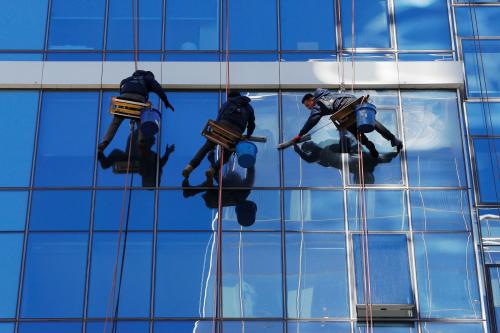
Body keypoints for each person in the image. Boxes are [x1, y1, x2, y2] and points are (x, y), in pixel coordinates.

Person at [285, 88, 402, 158]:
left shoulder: (318, 104)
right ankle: (393, 139)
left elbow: (312, 120)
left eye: (307, 105)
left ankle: (370, 147)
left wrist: (300, 134)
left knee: (356, 133)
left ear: (312, 100)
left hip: (343, 112)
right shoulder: (327, 94)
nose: (308, 108)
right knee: (372, 122)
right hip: (354, 103)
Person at [182, 90, 255, 180]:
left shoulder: (228, 103)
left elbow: (219, 117)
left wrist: (215, 131)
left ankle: (189, 167)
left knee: (206, 148)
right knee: (227, 153)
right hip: (235, 133)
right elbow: (251, 125)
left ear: (230, 97)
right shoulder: (249, 108)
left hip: (221, 128)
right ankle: (212, 170)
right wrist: (248, 136)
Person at [98, 70, 174, 152]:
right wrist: (166, 101)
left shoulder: (128, 79)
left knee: (116, 121)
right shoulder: (148, 78)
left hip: (123, 100)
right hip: (138, 100)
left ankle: (104, 142)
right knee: (142, 119)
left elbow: (122, 84)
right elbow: (158, 89)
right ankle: (141, 142)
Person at [293, 139, 399, 184]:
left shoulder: (354, 169)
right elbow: (386, 158)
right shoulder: (371, 162)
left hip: (335, 154)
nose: (359, 176)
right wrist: (397, 151)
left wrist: (297, 148)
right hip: (340, 151)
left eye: (358, 178)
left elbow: (308, 158)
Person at [97, 129, 175, 187]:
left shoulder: (152, 155)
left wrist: (167, 154)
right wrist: (167, 153)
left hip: (137, 160)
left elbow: (160, 163)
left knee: (116, 153)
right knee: (116, 153)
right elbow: (160, 163)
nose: (152, 143)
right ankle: (104, 161)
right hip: (136, 159)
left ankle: (104, 161)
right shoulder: (151, 154)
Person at [182, 167, 257, 227]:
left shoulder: (242, 192)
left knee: (210, 185)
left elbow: (223, 184)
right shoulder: (242, 193)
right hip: (214, 197)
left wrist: (214, 168)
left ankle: (190, 191)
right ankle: (190, 191)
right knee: (210, 185)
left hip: (214, 197)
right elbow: (250, 171)